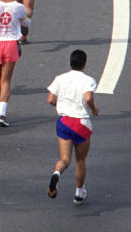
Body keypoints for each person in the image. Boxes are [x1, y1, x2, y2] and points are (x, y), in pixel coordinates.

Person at [46, 49, 99, 206]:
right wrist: (94, 109)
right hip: (81, 123)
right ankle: (79, 191)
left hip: (64, 121)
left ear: (70, 62)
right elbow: (88, 97)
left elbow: (50, 99)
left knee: (64, 159)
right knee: (80, 160)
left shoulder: (60, 78)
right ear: (85, 64)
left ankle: (57, 173)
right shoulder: (88, 80)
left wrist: (60, 105)